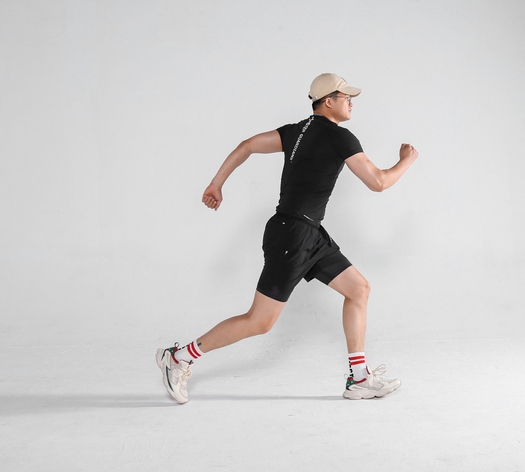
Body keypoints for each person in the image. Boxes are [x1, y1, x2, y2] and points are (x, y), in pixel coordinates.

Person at [156, 73, 419, 403]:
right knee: (259, 322)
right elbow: (378, 182)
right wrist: (405, 162)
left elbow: (247, 145)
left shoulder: (295, 131)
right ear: (328, 101)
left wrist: (216, 183)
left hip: (308, 233)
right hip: (292, 236)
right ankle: (178, 357)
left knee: (358, 289)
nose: (351, 102)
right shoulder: (340, 136)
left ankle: (360, 379)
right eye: (345, 97)